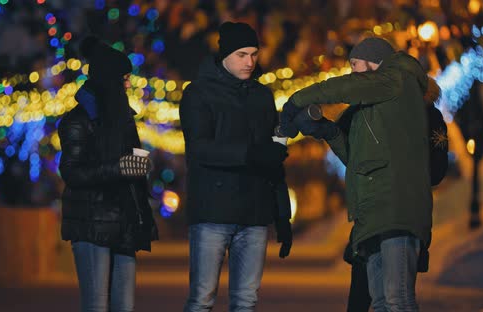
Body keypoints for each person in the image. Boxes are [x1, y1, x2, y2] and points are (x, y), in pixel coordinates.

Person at [281, 37, 440, 311]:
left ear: (375, 62)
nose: (352, 73)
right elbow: (357, 159)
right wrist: (327, 131)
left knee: (397, 299)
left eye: (355, 65)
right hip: (373, 213)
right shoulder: (374, 104)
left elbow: (348, 86)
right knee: (380, 303)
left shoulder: (397, 78)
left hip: (397, 208)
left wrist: (297, 99)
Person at [179, 22, 292, 312]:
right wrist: (250, 153)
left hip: (253, 213)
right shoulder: (198, 93)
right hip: (213, 212)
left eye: (254, 54)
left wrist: (282, 216)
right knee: (202, 298)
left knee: (246, 300)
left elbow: (273, 159)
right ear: (225, 55)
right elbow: (199, 148)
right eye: (242, 54)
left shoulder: (262, 95)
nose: (250, 62)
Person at [58, 36, 158, 312]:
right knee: (97, 304)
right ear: (108, 80)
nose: (128, 84)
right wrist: (120, 168)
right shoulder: (77, 121)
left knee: (124, 306)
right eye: (124, 78)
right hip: (92, 222)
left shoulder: (123, 118)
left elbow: (129, 163)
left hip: (124, 221)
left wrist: (140, 168)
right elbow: (72, 172)